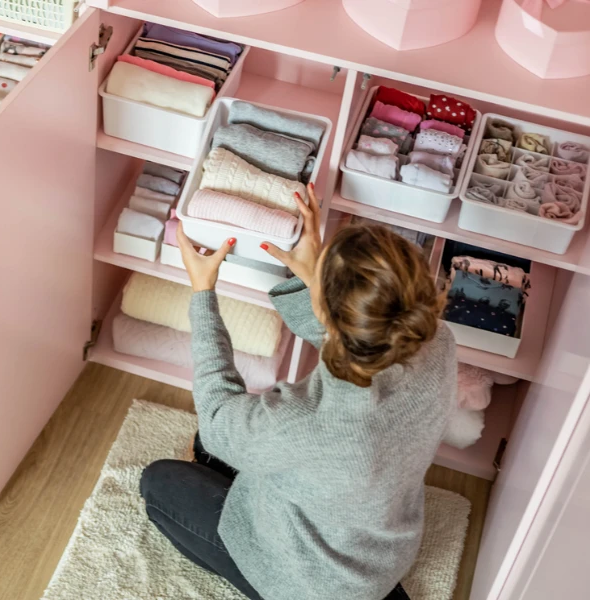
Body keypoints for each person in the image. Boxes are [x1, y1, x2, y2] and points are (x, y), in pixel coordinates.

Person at [139, 184, 456, 600]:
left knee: (159, 483)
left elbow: (217, 413)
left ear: (327, 308)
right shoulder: (437, 341)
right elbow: (361, 342)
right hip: (377, 551)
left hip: (310, 582)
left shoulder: (307, 421)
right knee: (211, 447)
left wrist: (202, 293)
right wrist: (317, 279)